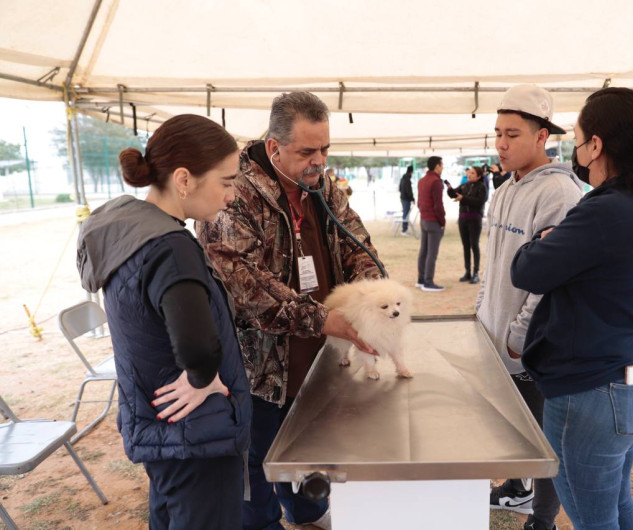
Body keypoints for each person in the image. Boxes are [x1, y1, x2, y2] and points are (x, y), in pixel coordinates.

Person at [510, 87, 633, 529]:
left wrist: (542, 239)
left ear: (595, 145)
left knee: (593, 518)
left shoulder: (607, 209)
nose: (575, 153)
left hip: (592, 391)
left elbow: (527, 270)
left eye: (577, 141)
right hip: (632, 376)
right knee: (614, 502)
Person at [196, 91, 382, 530]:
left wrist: (370, 290)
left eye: (325, 149)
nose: (319, 161)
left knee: (311, 445)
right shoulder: (234, 191)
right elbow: (244, 284)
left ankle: (309, 513)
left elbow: (356, 242)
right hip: (259, 364)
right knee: (258, 458)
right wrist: (322, 319)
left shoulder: (320, 185)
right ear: (274, 146)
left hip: (320, 351)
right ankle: (261, 523)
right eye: (307, 152)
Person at [76, 114, 252, 529]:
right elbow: (197, 345)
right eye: (226, 183)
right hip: (197, 436)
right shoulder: (171, 247)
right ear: (184, 179)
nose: (231, 197)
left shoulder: (129, 233)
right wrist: (202, 377)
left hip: (164, 431)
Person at [475, 84, 583, 530]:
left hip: (531, 348)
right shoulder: (505, 188)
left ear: (542, 136)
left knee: (542, 437)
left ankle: (542, 520)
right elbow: (493, 264)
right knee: (511, 427)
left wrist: (518, 335)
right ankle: (517, 488)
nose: (501, 144)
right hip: (495, 336)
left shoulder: (559, 193)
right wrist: (482, 314)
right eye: (498, 133)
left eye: (513, 134)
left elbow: (550, 281)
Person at [446, 165, 486, 284]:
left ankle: (475, 273)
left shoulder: (482, 187)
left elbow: (480, 201)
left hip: (475, 219)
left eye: (473, 173)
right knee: (466, 246)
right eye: (469, 173)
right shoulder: (464, 185)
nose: (469, 174)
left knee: (474, 245)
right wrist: (449, 188)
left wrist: (463, 198)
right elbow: (454, 194)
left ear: (479, 176)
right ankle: (467, 272)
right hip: (463, 219)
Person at [416, 156, 446, 292]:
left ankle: (421, 279)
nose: (442, 168)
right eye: (442, 165)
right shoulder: (436, 182)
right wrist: (442, 221)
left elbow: (419, 202)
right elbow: (438, 205)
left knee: (424, 251)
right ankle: (428, 282)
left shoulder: (422, 180)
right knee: (431, 253)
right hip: (433, 220)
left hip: (424, 219)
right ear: (437, 166)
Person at [399, 165, 415, 235]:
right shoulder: (407, 180)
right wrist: (412, 198)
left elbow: (399, 188)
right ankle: (404, 230)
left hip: (402, 198)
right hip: (406, 199)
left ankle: (404, 229)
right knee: (406, 214)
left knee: (405, 214)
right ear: (411, 171)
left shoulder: (402, 178)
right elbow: (409, 191)